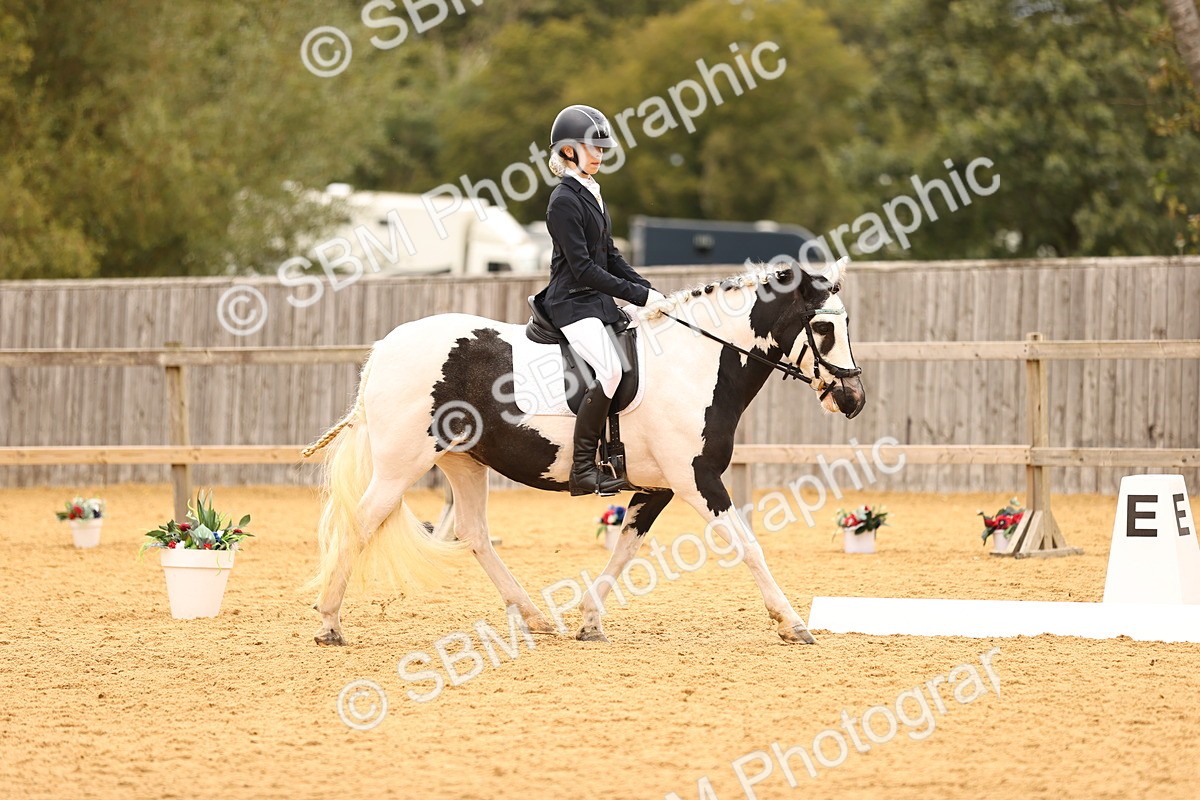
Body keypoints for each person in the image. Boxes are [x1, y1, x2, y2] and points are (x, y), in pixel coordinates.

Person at [534, 104, 666, 496]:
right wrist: (638, 296)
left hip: (596, 302)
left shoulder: (591, 191)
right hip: (571, 302)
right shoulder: (563, 200)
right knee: (609, 370)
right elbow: (583, 269)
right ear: (569, 150)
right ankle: (582, 468)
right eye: (593, 147)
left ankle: (621, 456)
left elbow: (610, 257)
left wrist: (652, 292)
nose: (600, 154)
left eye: (603, 148)